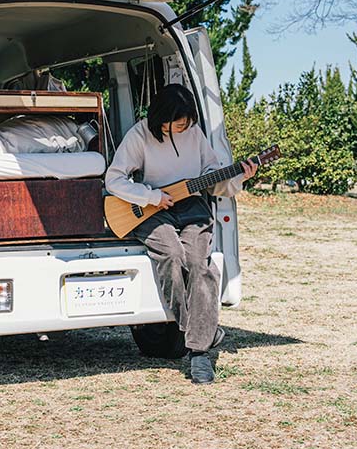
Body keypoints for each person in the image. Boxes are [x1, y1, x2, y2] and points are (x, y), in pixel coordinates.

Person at [104, 83, 258, 384]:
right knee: (172, 254)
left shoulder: (194, 134)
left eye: (187, 122)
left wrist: (238, 175)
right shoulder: (140, 135)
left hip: (192, 207)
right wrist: (150, 197)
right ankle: (202, 331)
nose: (184, 126)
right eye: (178, 121)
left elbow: (213, 177)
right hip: (152, 207)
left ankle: (199, 355)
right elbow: (114, 179)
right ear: (161, 117)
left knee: (199, 264)